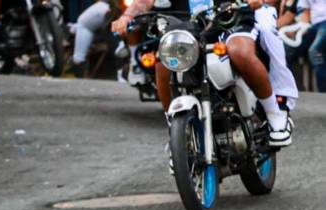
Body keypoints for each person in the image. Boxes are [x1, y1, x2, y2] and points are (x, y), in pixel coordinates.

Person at [114, 0, 294, 147]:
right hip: (187, 26)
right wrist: (127, 17)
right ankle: (176, 134)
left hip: (230, 20)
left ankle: (274, 115)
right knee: (163, 63)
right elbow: (145, 1)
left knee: (240, 52)